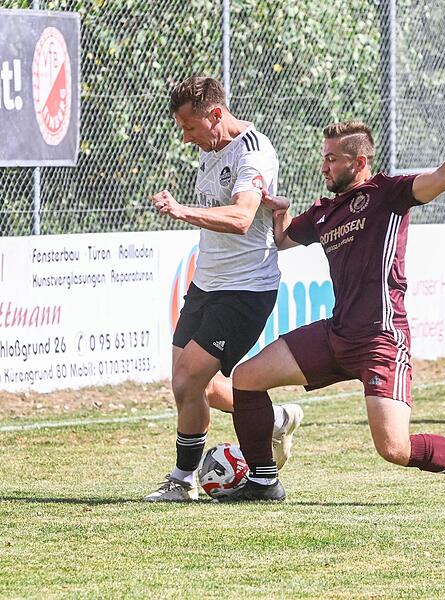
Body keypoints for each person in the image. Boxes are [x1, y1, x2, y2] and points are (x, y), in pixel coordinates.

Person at [219, 115, 445, 503]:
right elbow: (286, 239)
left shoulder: (388, 193)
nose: (324, 165)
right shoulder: (325, 211)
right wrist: (280, 210)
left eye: (333, 158)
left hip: (381, 339)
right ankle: (264, 481)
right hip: (337, 334)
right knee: (247, 378)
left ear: (359, 162)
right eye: (324, 157)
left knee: (394, 448)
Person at [146, 75, 302, 501]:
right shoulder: (210, 148)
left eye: (190, 128)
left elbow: (240, 218)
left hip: (245, 290)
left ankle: (182, 481)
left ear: (216, 115)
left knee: (185, 380)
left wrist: (181, 210)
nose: (185, 137)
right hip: (208, 284)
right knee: (201, 387)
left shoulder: (253, 153)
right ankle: (272, 420)